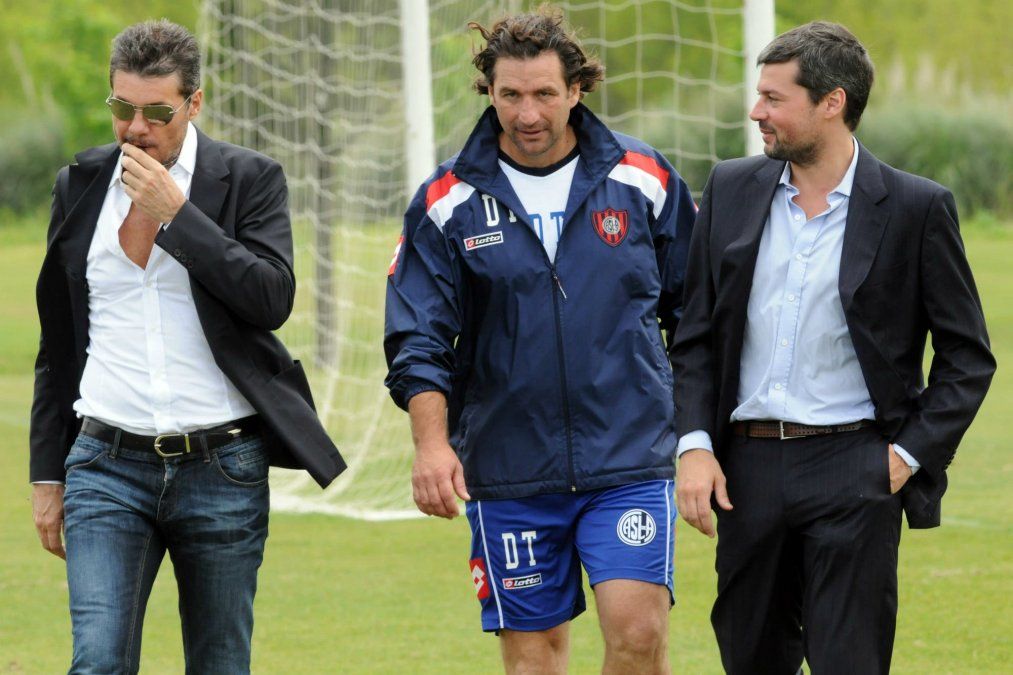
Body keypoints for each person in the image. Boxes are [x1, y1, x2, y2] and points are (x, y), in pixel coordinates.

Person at [671, 21, 995, 675]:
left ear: (832, 102)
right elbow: (696, 335)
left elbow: (966, 357)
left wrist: (904, 457)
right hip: (746, 473)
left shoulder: (915, 206)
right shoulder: (729, 188)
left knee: (850, 663)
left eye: (773, 98)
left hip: (856, 469)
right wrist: (695, 446)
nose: (755, 111)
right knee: (751, 659)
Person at [384, 9, 696, 674]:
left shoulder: (644, 178)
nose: (528, 113)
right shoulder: (446, 200)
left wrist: (696, 437)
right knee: (533, 661)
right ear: (489, 92)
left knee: (639, 635)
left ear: (576, 89)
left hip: (628, 458)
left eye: (545, 94)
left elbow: (695, 318)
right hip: (509, 469)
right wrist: (431, 445)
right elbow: (418, 335)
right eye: (511, 95)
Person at [29, 20, 346, 674]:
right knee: (97, 661)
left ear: (194, 102)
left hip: (223, 466)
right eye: (122, 108)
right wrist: (46, 473)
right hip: (105, 464)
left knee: (220, 662)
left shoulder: (250, 178)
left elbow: (271, 298)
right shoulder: (78, 184)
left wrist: (178, 214)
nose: (135, 128)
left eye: (156, 112)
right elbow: (55, 341)